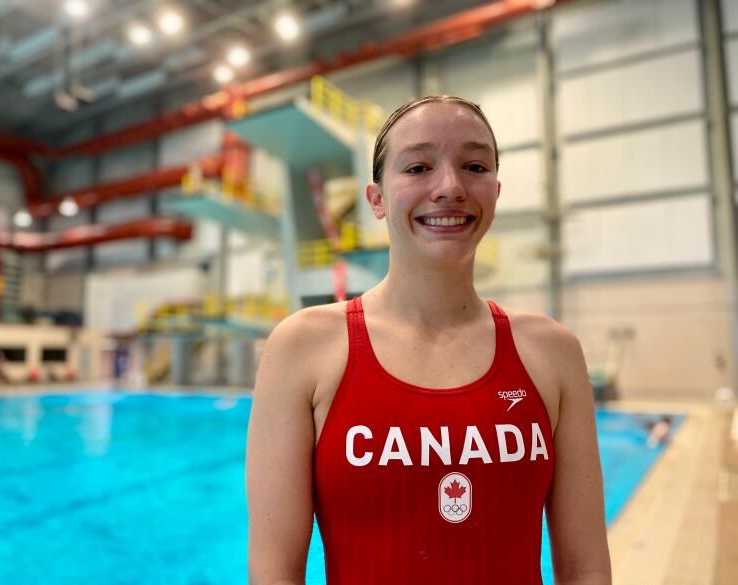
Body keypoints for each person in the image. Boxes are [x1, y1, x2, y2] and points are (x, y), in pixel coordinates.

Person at [246, 96, 611, 584]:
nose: (450, 187)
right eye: (418, 167)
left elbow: (586, 567)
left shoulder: (552, 351)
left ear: (496, 192)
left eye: (474, 165)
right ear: (376, 199)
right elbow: (274, 573)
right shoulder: (304, 348)